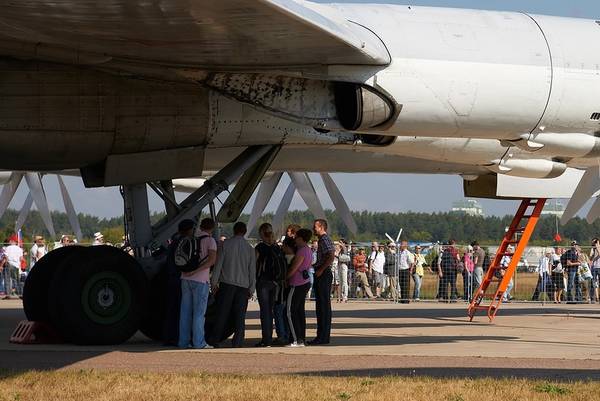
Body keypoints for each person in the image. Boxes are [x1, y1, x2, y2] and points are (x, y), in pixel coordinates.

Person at [209, 222, 256, 348]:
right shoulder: (250, 249)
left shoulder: (225, 245)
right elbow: (252, 271)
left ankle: (215, 339)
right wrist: (252, 288)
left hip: (227, 284)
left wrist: (214, 283)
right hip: (243, 286)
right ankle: (238, 341)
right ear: (245, 231)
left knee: (222, 314)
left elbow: (218, 266)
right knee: (240, 316)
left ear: (234, 231)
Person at [178, 218, 217, 349]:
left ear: (201, 226)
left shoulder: (192, 238)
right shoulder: (210, 241)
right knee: (199, 313)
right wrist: (196, 270)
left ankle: (183, 342)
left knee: (185, 312)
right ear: (212, 227)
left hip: (185, 278)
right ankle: (199, 342)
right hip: (200, 280)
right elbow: (211, 261)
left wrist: (189, 272)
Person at [255, 223, 287, 347]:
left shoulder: (260, 247)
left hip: (263, 282)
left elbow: (254, 264)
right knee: (272, 309)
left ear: (262, 233)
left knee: (265, 311)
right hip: (275, 283)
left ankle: (266, 338)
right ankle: (273, 336)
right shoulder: (276, 247)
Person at [163, 219, 190, 345]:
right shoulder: (183, 241)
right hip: (180, 278)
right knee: (181, 309)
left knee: (172, 309)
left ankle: (169, 337)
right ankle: (178, 337)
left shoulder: (173, 240)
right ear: (189, 230)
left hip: (171, 278)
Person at [285, 228, 313, 347]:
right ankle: (301, 337)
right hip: (305, 282)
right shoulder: (308, 250)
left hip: (297, 283)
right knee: (300, 311)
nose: (295, 239)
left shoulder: (301, 251)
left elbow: (294, 268)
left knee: (290, 311)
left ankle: (296, 339)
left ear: (301, 239)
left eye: (296, 237)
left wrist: (285, 278)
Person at [308, 219, 334, 346]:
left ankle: (323, 336)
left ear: (322, 227)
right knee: (321, 306)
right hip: (321, 272)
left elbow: (330, 255)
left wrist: (321, 269)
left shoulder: (324, 239)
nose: (313, 229)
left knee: (323, 307)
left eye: (315, 227)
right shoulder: (323, 240)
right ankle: (322, 336)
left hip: (323, 274)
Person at [590, 238, 600, 303]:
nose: (594, 243)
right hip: (594, 267)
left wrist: (597, 248)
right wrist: (593, 254)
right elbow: (590, 257)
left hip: (599, 267)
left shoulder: (598, 248)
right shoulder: (593, 249)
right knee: (594, 283)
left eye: (595, 242)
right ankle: (597, 297)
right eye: (593, 242)